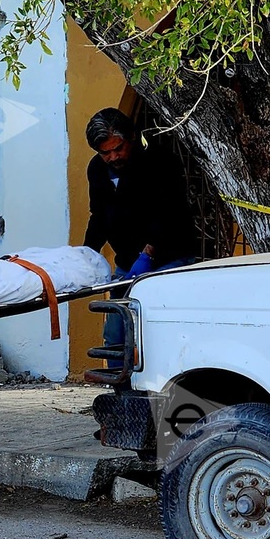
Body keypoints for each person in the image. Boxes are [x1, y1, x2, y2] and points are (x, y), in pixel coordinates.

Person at [82, 108, 199, 364]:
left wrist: (148, 254)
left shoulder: (159, 161)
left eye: (118, 148)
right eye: (105, 153)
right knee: (116, 332)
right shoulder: (97, 170)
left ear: (131, 138)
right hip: (126, 264)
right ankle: (118, 390)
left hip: (169, 259)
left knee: (155, 330)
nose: (114, 156)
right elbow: (98, 215)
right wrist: (86, 254)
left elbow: (168, 213)